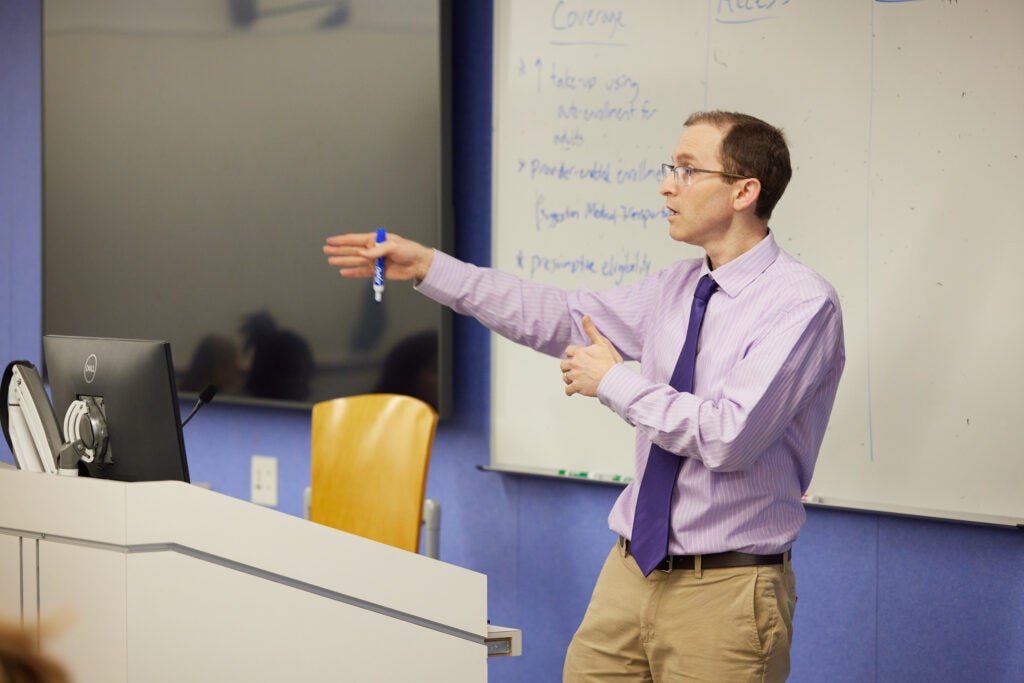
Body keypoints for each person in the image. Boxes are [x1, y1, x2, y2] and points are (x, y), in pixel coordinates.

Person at [323, 111, 845, 682]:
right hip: (629, 573)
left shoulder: (801, 304)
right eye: (670, 168)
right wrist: (430, 267)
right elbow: (560, 316)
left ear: (745, 191)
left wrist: (615, 381)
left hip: (725, 590)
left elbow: (728, 437)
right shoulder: (677, 286)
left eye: (689, 171)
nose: (667, 185)